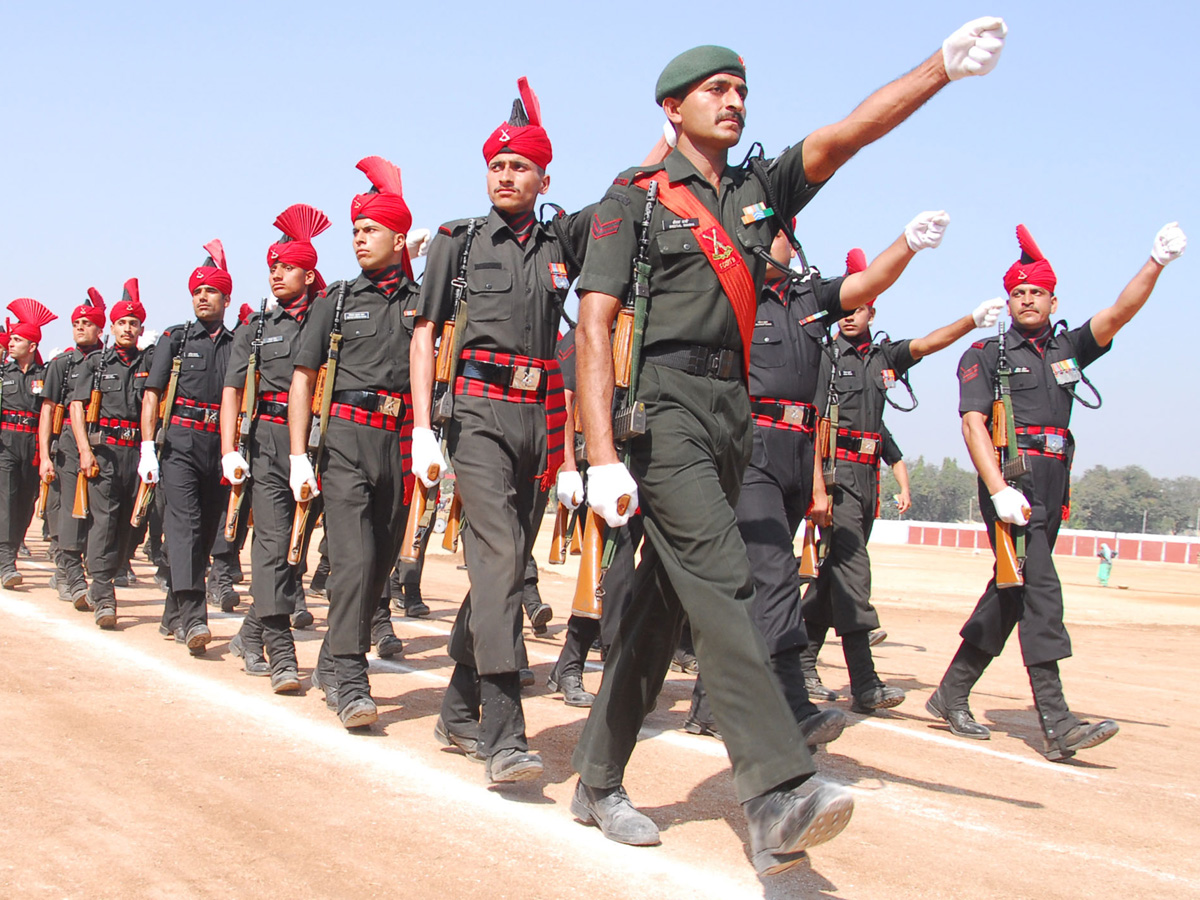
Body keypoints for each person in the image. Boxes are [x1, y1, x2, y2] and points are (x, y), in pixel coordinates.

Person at [570, 21, 1007, 875]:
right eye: (716, 91)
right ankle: (778, 793)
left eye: (742, 90)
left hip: (732, 410)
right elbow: (594, 325)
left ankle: (594, 779)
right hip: (662, 410)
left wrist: (939, 71)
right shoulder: (633, 199)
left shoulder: (756, 191)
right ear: (673, 108)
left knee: (663, 608)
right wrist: (600, 455)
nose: (734, 102)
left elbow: (851, 130)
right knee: (726, 580)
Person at [685, 211, 954, 746]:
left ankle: (708, 704)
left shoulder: (811, 300)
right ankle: (791, 701)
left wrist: (906, 244)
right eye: (758, 232)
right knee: (776, 573)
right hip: (747, 444)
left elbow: (868, 282)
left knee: (746, 582)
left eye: (777, 232)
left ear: (791, 239)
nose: (768, 241)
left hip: (797, 448)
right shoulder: (731, 290)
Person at [927, 221, 1186, 761]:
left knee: (1012, 590)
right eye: (1018, 292)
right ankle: (1057, 719)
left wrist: (1155, 263)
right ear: (1009, 298)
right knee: (1041, 589)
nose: (1026, 300)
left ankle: (949, 694)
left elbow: (1120, 312)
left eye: (1036, 292)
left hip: (1054, 481)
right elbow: (973, 425)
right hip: (1012, 485)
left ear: (1052, 298)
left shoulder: (1069, 348)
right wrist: (996, 489)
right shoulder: (986, 354)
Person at [409, 78, 594, 783]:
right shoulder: (456, 242)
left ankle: (456, 709)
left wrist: (669, 142)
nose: (506, 175)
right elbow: (426, 333)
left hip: (537, 421)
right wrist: (425, 426)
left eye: (519, 166)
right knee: (505, 557)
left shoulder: (561, 243)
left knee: (499, 567)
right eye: (496, 165)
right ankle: (504, 729)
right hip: (478, 416)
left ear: (544, 174)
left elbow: (623, 200)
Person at [800, 251, 1007, 712]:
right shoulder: (822, 355)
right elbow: (812, 423)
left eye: (859, 308)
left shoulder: (881, 356)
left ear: (873, 310)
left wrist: (971, 321)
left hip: (866, 477)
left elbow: (929, 344)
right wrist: (816, 487)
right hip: (834, 476)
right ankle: (865, 683)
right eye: (845, 308)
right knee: (854, 573)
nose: (850, 316)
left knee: (835, 574)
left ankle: (801, 660)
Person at [288, 156, 421, 728]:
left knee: (382, 562)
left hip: (402, 445)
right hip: (345, 438)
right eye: (356, 232)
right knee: (354, 558)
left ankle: (332, 656)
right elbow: (302, 378)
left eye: (371, 230)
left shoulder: (423, 302)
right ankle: (349, 672)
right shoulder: (336, 301)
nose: (361, 240)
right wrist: (298, 455)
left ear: (398, 236)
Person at [221, 204, 330, 692]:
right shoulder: (257, 328)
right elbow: (231, 392)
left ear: (308, 273)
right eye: (272, 267)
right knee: (272, 542)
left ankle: (251, 632)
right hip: (268, 439)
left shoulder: (331, 316)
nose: (276, 274)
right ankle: (280, 647)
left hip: (319, 440)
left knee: (296, 544)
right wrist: (230, 449)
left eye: (285, 267)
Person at [139, 240, 235, 656]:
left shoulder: (238, 343)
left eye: (210, 291)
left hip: (220, 445)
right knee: (186, 527)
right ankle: (195, 616)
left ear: (226, 298)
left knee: (206, 531)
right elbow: (152, 395)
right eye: (197, 291)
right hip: (179, 443)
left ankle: (172, 610)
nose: (202, 297)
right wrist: (147, 447)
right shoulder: (175, 340)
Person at [67, 280, 149, 627]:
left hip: (137, 453)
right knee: (104, 521)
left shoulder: (149, 362)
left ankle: (111, 571)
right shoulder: (97, 363)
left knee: (132, 524)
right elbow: (75, 406)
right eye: (121, 323)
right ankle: (103, 594)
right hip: (106, 452)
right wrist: (85, 449)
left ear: (141, 328)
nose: (127, 328)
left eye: (133, 323)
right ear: (111, 327)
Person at [39, 289, 106, 607]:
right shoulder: (62, 363)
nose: (80, 327)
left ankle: (89, 569)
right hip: (67, 441)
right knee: (70, 509)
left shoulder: (107, 361)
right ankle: (68, 570)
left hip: (102, 442)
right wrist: (44, 455)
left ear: (99, 328)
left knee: (97, 512)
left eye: (87, 322)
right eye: (76, 322)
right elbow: (48, 410)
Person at [1, 299, 55, 588]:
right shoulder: (2, 374)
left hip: (33, 445)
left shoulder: (44, 375)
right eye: (11, 338)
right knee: (7, 500)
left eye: (18, 339)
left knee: (26, 502)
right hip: (6, 443)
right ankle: (6, 560)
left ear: (32, 346)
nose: (11, 343)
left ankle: (12, 546)